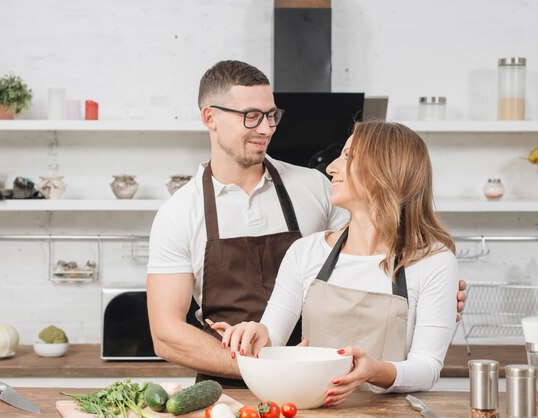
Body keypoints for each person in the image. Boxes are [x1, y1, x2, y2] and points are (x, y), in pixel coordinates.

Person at [146, 60, 465, 388]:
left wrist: (435, 293)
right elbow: (167, 335)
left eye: (272, 115)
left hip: (318, 386)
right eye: (251, 116)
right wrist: (267, 361)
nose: (266, 128)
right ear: (210, 117)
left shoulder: (314, 187)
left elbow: (378, 239)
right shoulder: (179, 213)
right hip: (233, 385)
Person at [213, 121, 459, 405]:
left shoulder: (434, 262)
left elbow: (427, 367)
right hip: (314, 410)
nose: (331, 167)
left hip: (391, 412)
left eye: (348, 157)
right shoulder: (306, 252)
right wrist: (257, 335)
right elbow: (274, 337)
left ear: (386, 170)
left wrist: (373, 371)